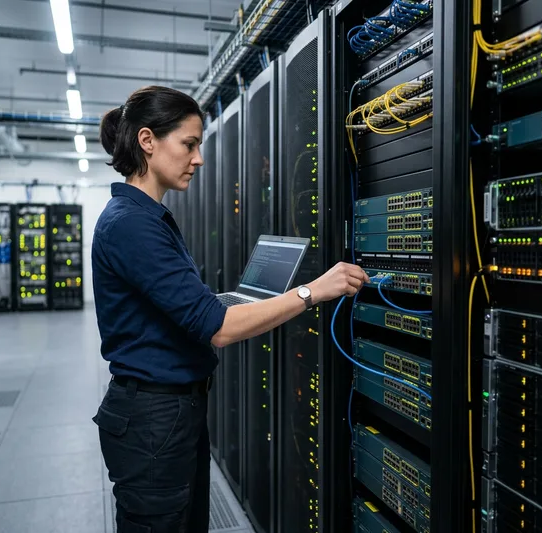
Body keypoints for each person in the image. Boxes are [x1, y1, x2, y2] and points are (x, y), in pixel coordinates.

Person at [91, 85, 370, 533]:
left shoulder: (147, 218)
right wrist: (313, 291)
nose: (198, 159)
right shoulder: (132, 225)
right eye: (189, 144)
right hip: (153, 420)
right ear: (147, 141)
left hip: (166, 413)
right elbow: (218, 328)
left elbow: (179, 310)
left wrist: (214, 303)